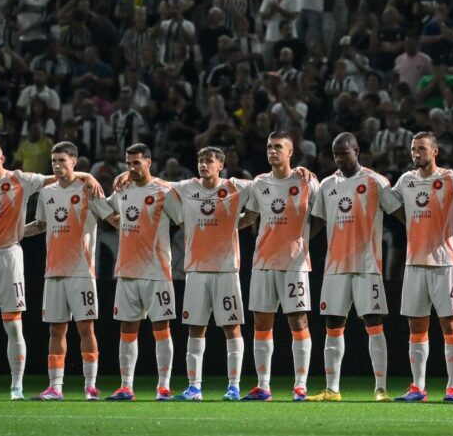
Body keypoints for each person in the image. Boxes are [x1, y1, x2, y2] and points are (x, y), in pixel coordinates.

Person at [0, 140, 104, 401]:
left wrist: (85, 174)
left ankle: (16, 388)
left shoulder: (21, 180)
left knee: (14, 327)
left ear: (3, 159)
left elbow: (59, 176)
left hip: (10, 257)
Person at [306, 132, 402, 402]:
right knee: (333, 324)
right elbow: (317, 224)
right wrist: (298, 246)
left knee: (374, 323)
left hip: (367, 265)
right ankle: (332, 389)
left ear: (356, 151)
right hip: (335, 267)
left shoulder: (375, 181)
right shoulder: (327, 185)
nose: (338, 158)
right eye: (335, 153)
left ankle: (380, 388)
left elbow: (399, 213)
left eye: (344, 153)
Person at [24, 141, 118, 401]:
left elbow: (111, 218)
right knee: (56, 330)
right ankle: (55, 387)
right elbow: (41, 224)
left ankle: (90, 386)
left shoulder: (88, 189)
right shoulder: (47, 192)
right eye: (53, 161)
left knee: (85, 329)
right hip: (53, 271)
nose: (56, 166)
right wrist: (16, 231)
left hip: (81, 271)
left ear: (73, 162)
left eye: (61, 161)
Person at [389, 132, 453, 402]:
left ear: (434, 151)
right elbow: (387, 201)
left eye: (422, 149)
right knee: (416, 327)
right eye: (414, 149)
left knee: (450, 325)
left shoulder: (451, 178)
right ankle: (418, 387)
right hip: (414, 263)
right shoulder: (406, 180)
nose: (416, 153)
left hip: (443, 263)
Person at [238, 131, 321, 401]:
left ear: (290, 152)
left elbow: (322, 215)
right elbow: (249, 218)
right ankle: (263, 386)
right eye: (269, 147)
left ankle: (300, 385)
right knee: (262, 322)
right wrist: (221, 223)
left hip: (295, 263)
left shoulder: (306, 181)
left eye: (278, 147)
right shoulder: (259, 183)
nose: (272, 151)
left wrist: (304, 240)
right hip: (263, 262)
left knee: (298, 321)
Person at [169, 147, 252, 401]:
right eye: (200, 160)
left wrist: (301, 172)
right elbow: (155, 184)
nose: (203, 164)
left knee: (231, 327)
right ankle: (194, 388)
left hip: (226, 268)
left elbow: (268, 183)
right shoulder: (185, 187)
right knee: (196, 328)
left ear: (220, 166)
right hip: (195, 269)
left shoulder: (236, 187)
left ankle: (234, 387)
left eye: (209, 161)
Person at [104, 143, 181, 402]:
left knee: (161, 327)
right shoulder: (122, 189)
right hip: (126, 270)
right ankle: (126, 386)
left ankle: (163, 386)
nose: (132, 168)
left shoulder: (163, 190)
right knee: (128, 328)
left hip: (157, 270)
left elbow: (182, 220)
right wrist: (117, 222)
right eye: (128, 163)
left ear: (148, 162)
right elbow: (107, 210)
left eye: (137, 163)